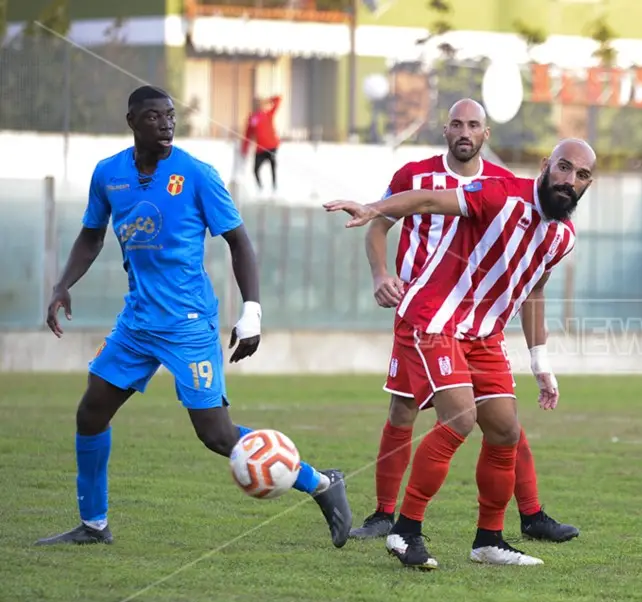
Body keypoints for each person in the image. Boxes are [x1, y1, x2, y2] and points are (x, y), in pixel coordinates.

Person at [36, 86, 352, 548]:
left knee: (218, 436)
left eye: (170, 116)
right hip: (137, 322)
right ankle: (93, 526)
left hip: (188, 324)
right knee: (91, 412)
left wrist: (251, 311)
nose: (166, 124)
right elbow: (91, 236)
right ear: (131, 122)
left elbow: (240, 242)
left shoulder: (197, 175)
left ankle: (321, 483)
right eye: (153, 117)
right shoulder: (109, 174)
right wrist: (63, 284)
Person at [324, 137, 595, 569]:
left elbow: (534, 290)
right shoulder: (500, 194)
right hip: (434, 319)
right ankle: (403, 530)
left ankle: (488, 541)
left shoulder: (561, 237)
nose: (569, 180)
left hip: (484, 334)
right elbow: (429, 197)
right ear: (546, 165)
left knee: (505, 429)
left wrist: (541, 362)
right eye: (563, 167)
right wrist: (377, 209)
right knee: (459, 417)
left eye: (581, 175)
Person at [242, 95, 282, 194]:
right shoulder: (252, 118)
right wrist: (245, 148)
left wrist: (268, 100)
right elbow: (248, 134)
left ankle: (274, 187)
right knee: (255, 170)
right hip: (260, 149)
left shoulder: (268, 114)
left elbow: (278, 99)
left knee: (273, 167)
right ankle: (260, 189)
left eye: (258, 103)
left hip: (272, 147)